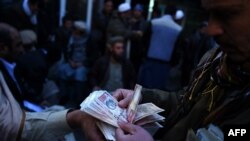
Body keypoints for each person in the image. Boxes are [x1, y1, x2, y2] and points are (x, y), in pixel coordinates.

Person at [113, 0, 250, 140]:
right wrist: (142, 97)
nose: (210, 30)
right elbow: (185, 101)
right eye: (209, 14)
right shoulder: (216, 59)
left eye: (229, 14)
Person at [0, 23, 103, 141]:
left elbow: (22, 90)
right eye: (18, 45)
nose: (22, 50)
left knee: (61, 107)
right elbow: (11, 125)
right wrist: (75, 118)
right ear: (3, 48)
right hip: (20, 117)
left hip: (24, 112)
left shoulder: (13, 65)